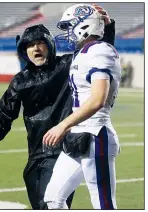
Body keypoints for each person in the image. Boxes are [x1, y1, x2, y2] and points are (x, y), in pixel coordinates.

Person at [0, 4, 116, 210]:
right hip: (36, 152)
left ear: (49, 45)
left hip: (66, 146)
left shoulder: (68, 65)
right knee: (46, 203)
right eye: (30, 45)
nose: (35, 48)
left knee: (50, 203)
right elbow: (4, 113)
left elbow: (96, 53)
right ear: (24, 51)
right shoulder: (20, 81)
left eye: (40, 42)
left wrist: (106, 26)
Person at [43, 4, 121, 210]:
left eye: (70, 26)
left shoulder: (100, 51)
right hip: (78, 133)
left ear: (84, 26)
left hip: (96, 135)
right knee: (54, 198)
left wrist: (62, 125)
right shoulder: (86, 51)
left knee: (104, 204)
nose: (67, 33)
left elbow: (98, 99)